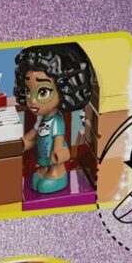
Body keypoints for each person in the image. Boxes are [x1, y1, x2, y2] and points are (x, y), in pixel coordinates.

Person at [13, 43, 95, 194]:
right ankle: (44, 170)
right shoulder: (41, 120)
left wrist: (58, 151)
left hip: (54, 156)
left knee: (47, 177)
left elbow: (58, 139)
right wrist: (23, 142)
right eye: (28, 91)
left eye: (43, 92)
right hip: (42, 155)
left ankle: (57, 175)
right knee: (37, 179)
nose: (32, 101)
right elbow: (33, 134)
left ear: (63, 90)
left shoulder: (57, 120)